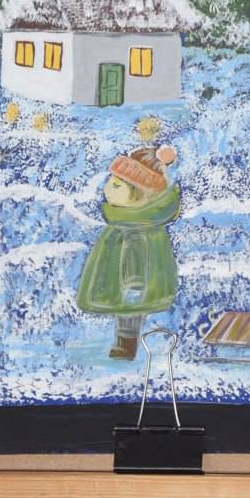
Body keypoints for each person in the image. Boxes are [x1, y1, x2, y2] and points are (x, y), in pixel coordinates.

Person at [75, 144, 180, 359]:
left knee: (129, 315)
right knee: (127, 315)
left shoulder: (133, 226)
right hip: (126, 284)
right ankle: (126, 344)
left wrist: (134, 282)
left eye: (116, 185)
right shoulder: (130, 220)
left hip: (130, 286)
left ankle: (126, 347)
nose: (107, 189)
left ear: (139, 195)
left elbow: (136, 254)